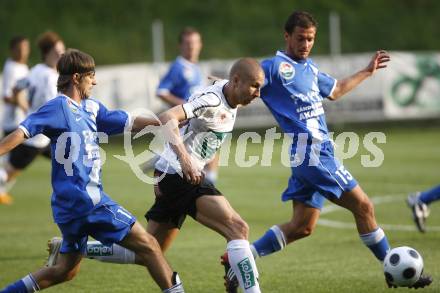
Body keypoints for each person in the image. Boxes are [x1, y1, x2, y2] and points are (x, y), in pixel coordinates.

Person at [219, 11, 432, 291]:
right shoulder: (272, 68)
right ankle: (396, 269)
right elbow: (245, 80)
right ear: (287, 36)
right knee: (364, 206)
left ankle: (237, 260)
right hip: (313, 155)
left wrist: (367, 71)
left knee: (301, 227)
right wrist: (223, 87)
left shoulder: (310, 70)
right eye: (300, 38)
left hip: (313, 155)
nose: (306, 44)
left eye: (310, 39)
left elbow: (337, 89)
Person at [48, 58, 265, 293]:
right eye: (254, 86)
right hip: (180, 175)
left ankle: (74, 249)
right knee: (238, 228)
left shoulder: (227, 90)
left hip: (170, 174)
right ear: (235, 81)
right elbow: (167, 118)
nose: (258, 93)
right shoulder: (213, 100)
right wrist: (185, 161)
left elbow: (218, 87)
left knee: (148, 252)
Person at [0, 49, 184, 293]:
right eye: (90, 76)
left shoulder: (91, 109)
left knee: (65, 270)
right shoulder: (57, 107)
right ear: (76, 78)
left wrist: (165, 121)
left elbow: (129, 121)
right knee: (150, 246)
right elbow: (22, 132)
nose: (95, 81)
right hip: (88, 202)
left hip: (70, 209)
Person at [145, 27, 220, 183]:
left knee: (210, 147)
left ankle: (162, 157)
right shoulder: (178, 67)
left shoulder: (196, 68)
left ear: (200, 44)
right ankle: (209, 187)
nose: (191, 47)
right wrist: (186, 106)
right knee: (210, 146)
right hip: (186, 119)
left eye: (195, 42)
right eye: (187, 43)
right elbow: (161, 91)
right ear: (181, 46)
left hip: (196, 119)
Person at [0, 31, 65, 205]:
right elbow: (56, 107)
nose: (61, 55)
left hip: (37, 133)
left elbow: (17, 87)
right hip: (37, 138)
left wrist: (26, 106)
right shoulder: (51, 78)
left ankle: (70, 196)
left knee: (70, 160)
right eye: (57, 52)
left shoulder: (36, 69)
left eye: (62, 51)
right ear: (47, 53)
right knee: (8, 173)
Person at [0, 36, 30, 204]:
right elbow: (7, 96)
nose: (23, 51)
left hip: (23, 122)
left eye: (25, 47)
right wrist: (24, 105)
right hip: (12, 122)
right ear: (12, 50)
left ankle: (1, 191)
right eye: (19, 48)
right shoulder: (11, 67)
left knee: (17, 162)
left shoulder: (24, 67)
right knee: (13, 162)